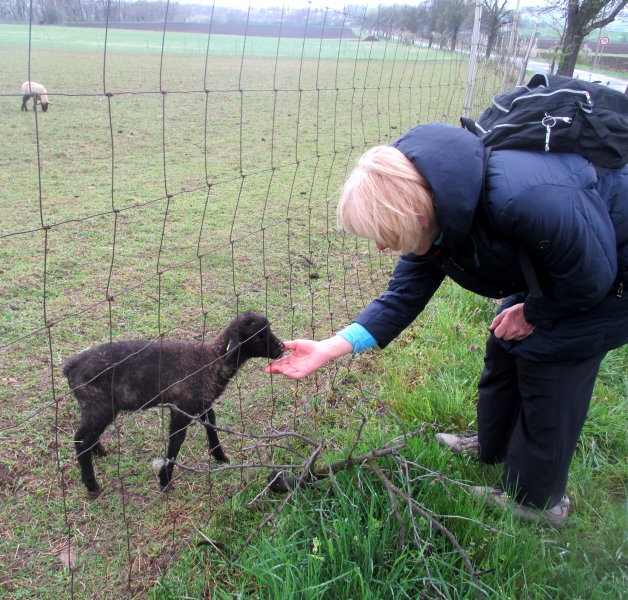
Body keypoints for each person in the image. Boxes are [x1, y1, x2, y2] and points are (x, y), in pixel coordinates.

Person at [265, 122, 628, 527]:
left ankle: (538, 501)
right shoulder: (444, 211)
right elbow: (401, 298)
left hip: (612, 269)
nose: (383, 246)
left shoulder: (518, 199)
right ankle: (493, 447)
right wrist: (329, 347)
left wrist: (534, 313)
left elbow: (590, 276)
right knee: (504, 339)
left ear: (416, 214)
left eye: (384, 234)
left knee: (549, 356)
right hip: (559, 260)